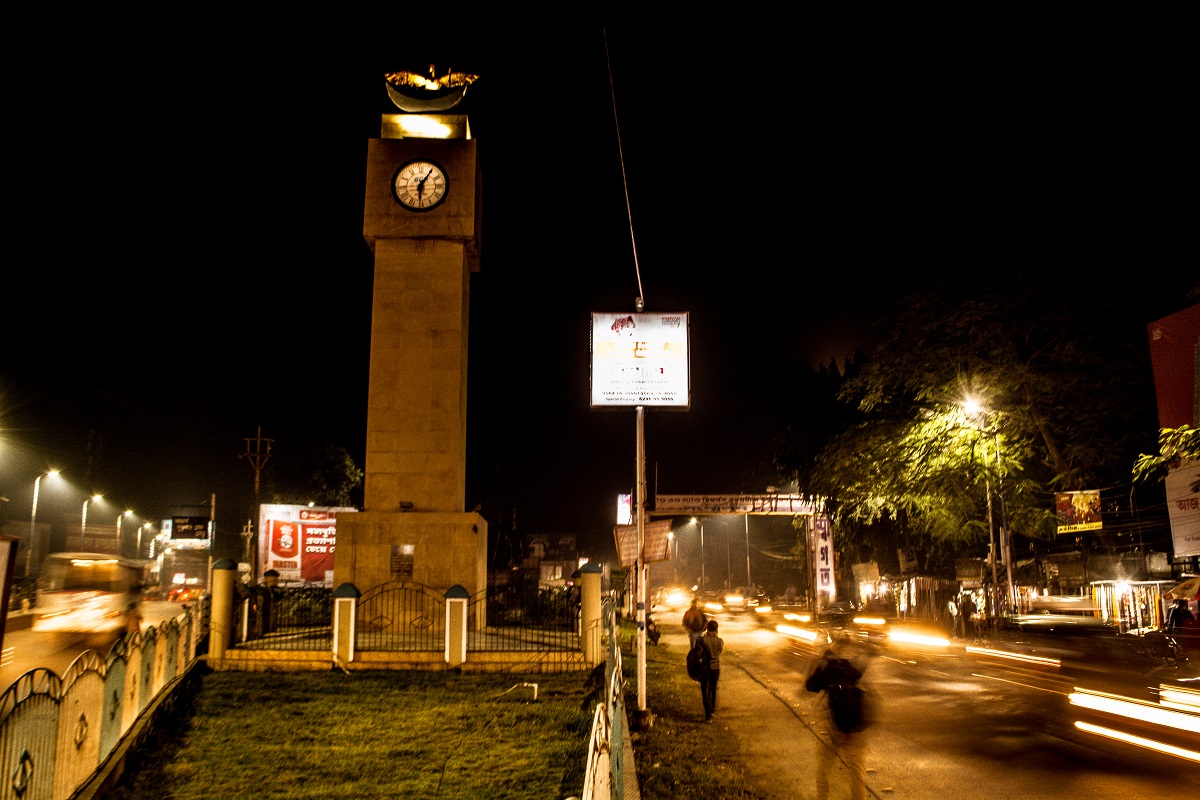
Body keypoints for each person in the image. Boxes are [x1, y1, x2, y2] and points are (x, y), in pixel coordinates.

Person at [698, 619, 724, 722]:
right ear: (716, 629)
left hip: (705, 668)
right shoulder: (720, 641)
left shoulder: (701, 640)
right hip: (716, 668)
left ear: (707, 628)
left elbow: (698, 653)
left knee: (705, 691)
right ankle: (712, 710)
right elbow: (719, 652)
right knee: (713, 689)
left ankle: (708, 715)